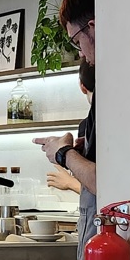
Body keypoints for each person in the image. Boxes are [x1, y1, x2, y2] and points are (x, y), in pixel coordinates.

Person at [34, 0, 97, 260]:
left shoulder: (121, 88)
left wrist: (65, 155)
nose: (82, 53)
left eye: (78, 41)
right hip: (103, 242)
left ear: (93, 26)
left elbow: (112, 180)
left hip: (108, 247)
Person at [45, 65, 94, 195]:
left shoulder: (97, 121)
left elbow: (101, 188)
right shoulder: (86, 125)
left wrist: (70, 182)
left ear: (82, 86)